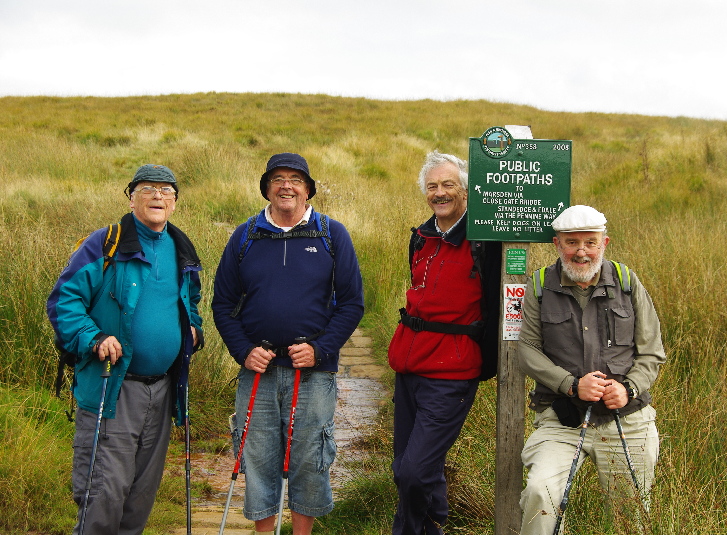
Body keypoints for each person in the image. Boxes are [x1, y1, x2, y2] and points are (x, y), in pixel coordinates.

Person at [212, 152, 364, 535]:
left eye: (296, 179)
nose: (286, 185)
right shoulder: (246, 236)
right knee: (258, 458)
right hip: (258, 372)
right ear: (266, 188)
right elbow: (223, 304)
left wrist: (321, 348)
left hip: (312, 373)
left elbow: (351, 303)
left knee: (310, 458)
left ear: (308, 190)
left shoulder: (332, 234)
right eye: (278, 178)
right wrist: (244, 350)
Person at [47, 164, 204, 535]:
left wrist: (193, 329)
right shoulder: (106, 243)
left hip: (164, 390)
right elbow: (63, 301)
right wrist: (94, 337)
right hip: (113, 387)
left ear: (176, 203)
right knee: (104, 491)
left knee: (140, 495)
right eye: (148, 189)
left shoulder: (182, 248)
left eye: (167, 191)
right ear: (131, 197)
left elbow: (191, 301)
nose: (158, 196)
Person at [516, 205, 666, 534]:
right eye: (572, 243)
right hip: (562, 419)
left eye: (590, 242)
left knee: (632, 516)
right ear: (557, 244)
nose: (581, 252)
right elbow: (526, 350)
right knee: (541, 492)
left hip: (627, 420)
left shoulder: (627, 282)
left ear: (604, 243)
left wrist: (628, 389)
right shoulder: (539, 286)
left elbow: (652, 351)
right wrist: (571, 385)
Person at [387, 150, 501, 535]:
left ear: (465, 191)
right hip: (409, 365)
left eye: (448, 185)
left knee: (412, 471)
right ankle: (432, 528)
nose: (440, 193)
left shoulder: (484, 239)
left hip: (452, 371)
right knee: (408, 465)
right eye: (433, 186)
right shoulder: (421, 237)